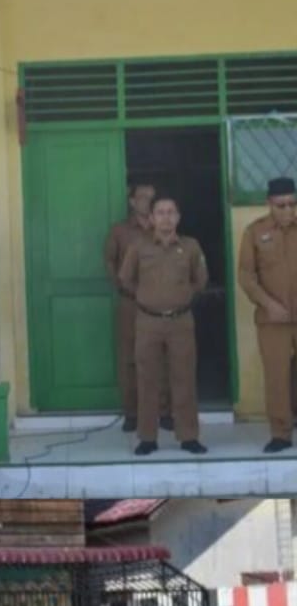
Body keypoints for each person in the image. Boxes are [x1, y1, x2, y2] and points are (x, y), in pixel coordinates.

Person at [118, 193, 209, 456]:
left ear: (178, 217)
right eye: (160, 212)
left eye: (171, 212)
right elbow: (126, 279)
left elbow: (200, 281)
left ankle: (189, 436)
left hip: (181, 321)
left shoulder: (191, 246)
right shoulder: (138, 246)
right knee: (147, 380)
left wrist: (179, 297)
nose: (166, 218)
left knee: (184, 379)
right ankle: (147, 437)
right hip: (148, 321)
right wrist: (150, 298)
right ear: (151, 218)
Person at [238, 177, 297, 454]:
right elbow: (246, 276)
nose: (287, 210)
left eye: (292, 204)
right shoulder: (255, 232)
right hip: (273, 319)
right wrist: (268, 304)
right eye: (281, 205)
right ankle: (281, 433)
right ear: (269, 204)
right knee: (277, 376)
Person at [104, 179, 160, 432]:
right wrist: (125, 287)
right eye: (142, 197)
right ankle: (132, 413)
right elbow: (110, 262)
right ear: (132, 201)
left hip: (162, 304)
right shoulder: (120, 231)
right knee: (130, 359)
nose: (146, 202)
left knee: (164, 356)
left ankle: (165, 411)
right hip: (131, 303)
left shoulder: (165, 226)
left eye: (151, 197)